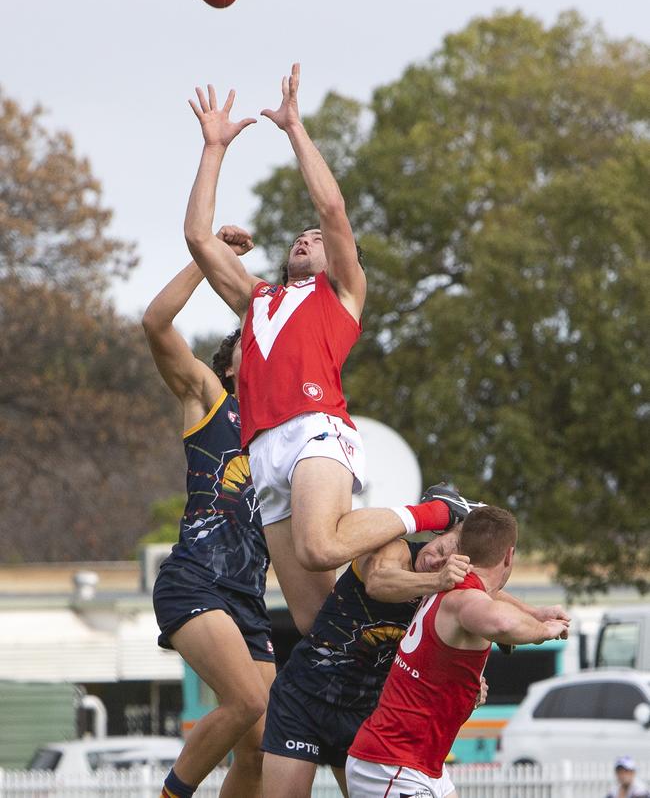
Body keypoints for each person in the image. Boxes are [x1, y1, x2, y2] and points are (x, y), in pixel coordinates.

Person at [183, 68, 473, 632]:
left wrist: (295, 129)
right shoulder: (256, 300)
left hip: (316, 428)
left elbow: (333, 211)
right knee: (319, 625)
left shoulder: (341, 293)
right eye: (301, 237)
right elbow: (198, 238)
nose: (305, 238)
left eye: (315, 240)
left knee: (319, 548)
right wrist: (214, 149)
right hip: (262, 450)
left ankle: (439, 511)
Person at [262, 515, 569, 798]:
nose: (437, 562)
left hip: (365, 710)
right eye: (441, 549)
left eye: (450, 565)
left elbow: (485, 594)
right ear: (443, 532)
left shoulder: (453, 585)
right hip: (308, 699)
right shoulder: (397, 552)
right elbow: (378, 583)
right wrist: (439, 581)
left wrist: (535, 613)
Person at [142, 253, 276, 798]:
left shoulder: (287, 438)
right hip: (196, 580)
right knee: (245, 701)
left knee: (262, 753)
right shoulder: (213, 401)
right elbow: (156, 322)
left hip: (250, 602)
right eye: (254, 340)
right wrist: (207, 253)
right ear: (228, 365)